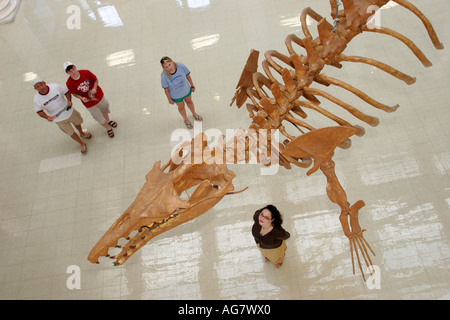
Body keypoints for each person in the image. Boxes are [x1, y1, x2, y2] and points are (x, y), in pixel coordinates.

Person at [33, 77, 92, 154]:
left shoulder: (55, 86)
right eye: (38, 86)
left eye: (41, 84)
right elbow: (39, 111)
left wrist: (69, 101)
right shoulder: (37, 99)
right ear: (35, 89)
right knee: (70, 132)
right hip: (58, 119)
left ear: (44, 83)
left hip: (69, 111)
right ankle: (81, 143)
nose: (41, 87)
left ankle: (82, 133)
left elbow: (66, 92)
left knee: (77, 123)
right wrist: (47, 117)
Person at [64, 62, 118, 138]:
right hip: (89, 103)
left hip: (99, 96)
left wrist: (94, 88)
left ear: (75, 67)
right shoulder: (69, 83)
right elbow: (74, 93)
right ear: (67, 73)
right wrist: (81, 98)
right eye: (70, 71)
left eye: (73, 69)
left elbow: (95, 80)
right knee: (98, 117)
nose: (73, 72)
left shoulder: (86, 72)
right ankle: (108, 127)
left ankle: (108, 121)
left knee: (104, 108)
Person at [160, 56, 202, 129]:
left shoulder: (181, 66)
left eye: (169, 65)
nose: (169, 68)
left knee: (189, 102)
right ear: (164, 68)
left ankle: (194, 114)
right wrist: (169, 99)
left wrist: (192, 85)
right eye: (166, 67)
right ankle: (186, 120)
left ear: (172, 62)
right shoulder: (164, 76)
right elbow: (166, 89)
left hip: (186, 90)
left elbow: (187, 75)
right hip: (176, 95)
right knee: (181, 107)